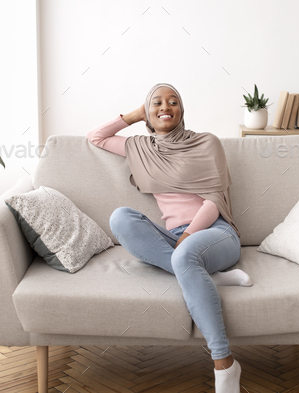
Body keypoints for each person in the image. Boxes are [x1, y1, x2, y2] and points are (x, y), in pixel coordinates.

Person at [86, 83, 252, 393]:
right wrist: (135, 114)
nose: (166, 107)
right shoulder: (141, 147)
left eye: (173, 102)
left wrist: (189, 236)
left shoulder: (206, 143)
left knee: (184, 255)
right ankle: (204, 277)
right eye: (157, 103)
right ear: (148, 114)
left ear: (182, 110)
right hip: (174, 235)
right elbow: (96, 136)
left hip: (216, 232)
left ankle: (224, 364)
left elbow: (214, 200)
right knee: (121, 217)